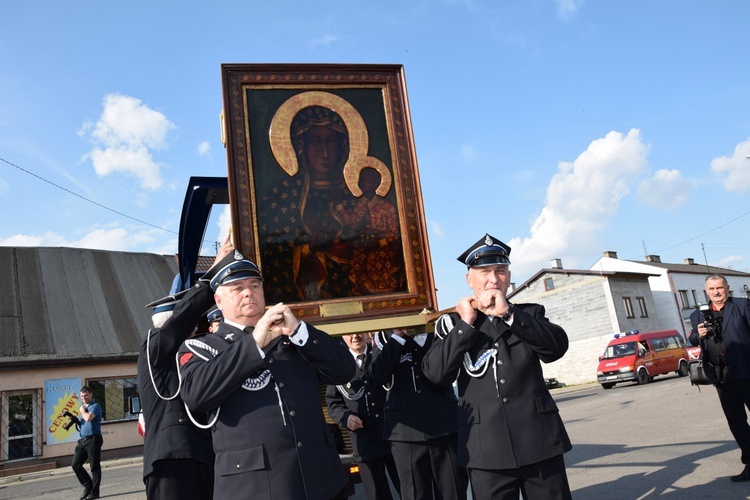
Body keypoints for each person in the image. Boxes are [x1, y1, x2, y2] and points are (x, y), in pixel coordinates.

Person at [177, 248, 357, 499]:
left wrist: (300, 331)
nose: (249, 292)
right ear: (219, 300)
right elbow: (197, 395)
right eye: (237, 288)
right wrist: (254, 344)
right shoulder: (202, 347)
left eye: (254, 285)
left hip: (322, 481)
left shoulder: (291, 336)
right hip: (256, 487)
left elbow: (346, 371)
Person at [422, 233, 572, 500]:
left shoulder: (529, 314)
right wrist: (465, 325)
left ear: (509, 275)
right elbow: (436, 374)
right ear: (470, 279)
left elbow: (556, 348)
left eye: (500, 271)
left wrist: (508, 314)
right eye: (484, 272)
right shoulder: (451, 325)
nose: (493, 279)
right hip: (486, 451)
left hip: (539, 441)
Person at [136, 238, 233, 499]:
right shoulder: (153, 345)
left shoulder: (192, 351)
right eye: (191, 324)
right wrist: (215, 271)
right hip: (172, 459)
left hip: (202, 455)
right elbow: (181, 321)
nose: (195, 329)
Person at [258, 105, 368, 303]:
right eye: (315, 141)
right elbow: (271, 253)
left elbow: (372, 241)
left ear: (343, 146)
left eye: (331, 141)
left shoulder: (355, 194)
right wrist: (309, 248)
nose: (324, 152)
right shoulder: (280, 194)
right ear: (300, 146)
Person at [370, 329, 466, 500]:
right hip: (405, 432)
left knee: (453, 491)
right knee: (415, 494)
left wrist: (420, 335)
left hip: (443, 426)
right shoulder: (384, 339)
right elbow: (377, 376)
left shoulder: (439, 332)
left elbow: (443, 371)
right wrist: (398, 337)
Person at [689, 274, 750, 482]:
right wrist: (699, 335)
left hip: (747, 372)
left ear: (727, 288)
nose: (716, 292)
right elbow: (692, 338)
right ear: (706, 292)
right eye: (712, 289)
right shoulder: (698, 315)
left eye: (720, 288)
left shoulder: (743, 306)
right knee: (737, 422)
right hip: (722, 376)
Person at [326, 332, 400, 499]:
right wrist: (346, 418)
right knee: (377, 494)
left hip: (394, 435)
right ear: (342, 337)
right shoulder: (338, 366)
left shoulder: (382, 355)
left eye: (359, 331)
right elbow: (333, 403)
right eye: (348, 333)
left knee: (408, 488)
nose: (354, 336)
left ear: (368, 334)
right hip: (364, 440)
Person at [71, 386, 103, 500]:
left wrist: (82, 410)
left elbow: (89, 418)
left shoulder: (95, 406)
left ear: (91, 394)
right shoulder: (85, 407)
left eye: (86, 395)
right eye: (82, 396)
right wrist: (77, 421)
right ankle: (88, 485)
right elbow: (85, 422)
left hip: (93, 439)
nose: (84, 398)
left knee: (94, 467)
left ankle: (95, 493)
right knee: (75, 465)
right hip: (83, 440)